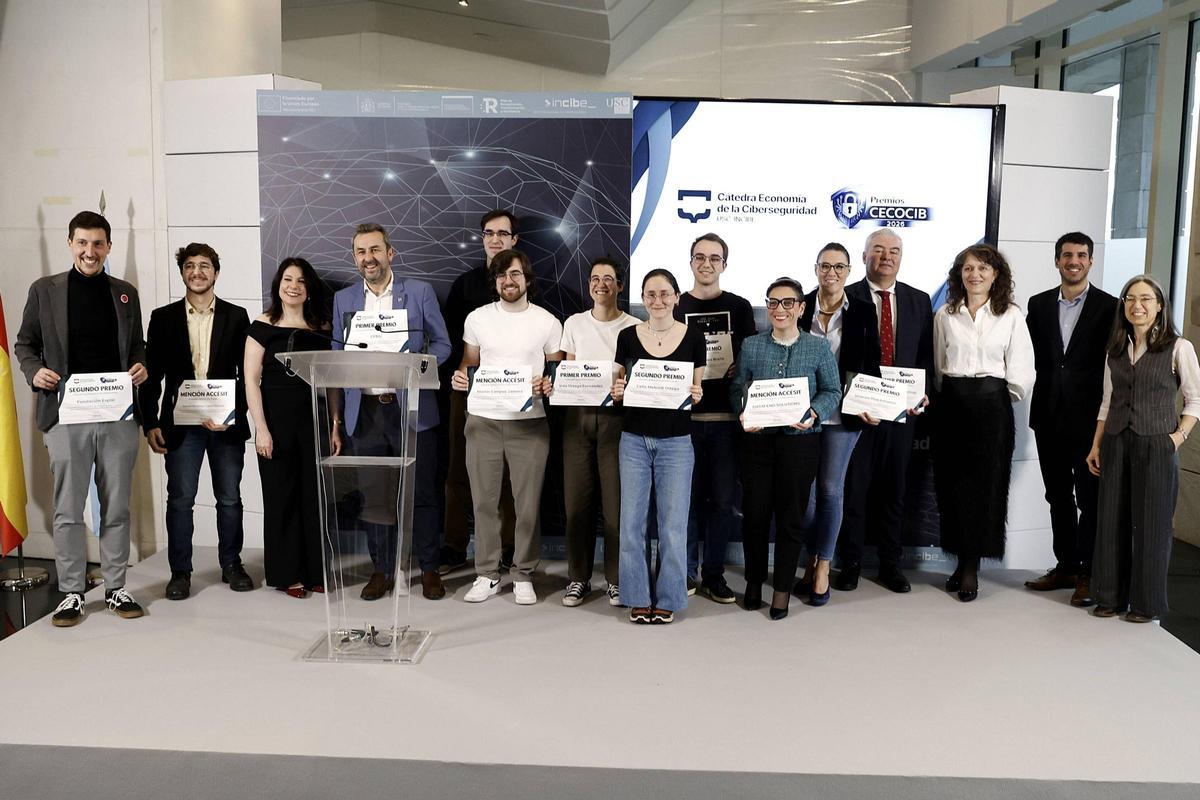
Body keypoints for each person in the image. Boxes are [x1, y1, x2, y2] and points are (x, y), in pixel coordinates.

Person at [15, 210, 148, 626]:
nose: (90, 251)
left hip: (117, 413)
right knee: (68, 508)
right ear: (70, 243)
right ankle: (72, 592)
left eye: (98, 244)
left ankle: (115, 587)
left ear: (108, 247)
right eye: (83, 243)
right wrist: (34, 371)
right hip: (65, 413)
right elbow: (25, 344)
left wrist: (141, 366)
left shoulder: (125, 293)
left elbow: (138, 346)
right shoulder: (45, 290)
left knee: (117, 506)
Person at [329, 223, 452, 601]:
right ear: (354, 258)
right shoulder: (344, 299)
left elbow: (443, 345)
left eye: (375, 250)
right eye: (361, 252)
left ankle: (429, 568)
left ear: (390, 253)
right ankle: (381, 568)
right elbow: (336, 356)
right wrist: (336, 421)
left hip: (411, 408)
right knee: (374, 495)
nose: (368, 258)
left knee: (424, 491)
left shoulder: (419, 292)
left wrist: (416, 369)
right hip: (365, 412)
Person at [141, 243, 253, 600]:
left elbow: (247, 375)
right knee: (180, 500)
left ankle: (231, 564)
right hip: (180, 426)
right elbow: (152, 375)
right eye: (190, 266)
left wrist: (234, 415)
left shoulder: (237, 316)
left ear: (216, 273)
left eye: (205, 265)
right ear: (182, 273)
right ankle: (180, 572)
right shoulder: (163, 318)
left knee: (230, 499)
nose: (197, 272)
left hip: (225, 426)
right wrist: (150, 422)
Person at [451, 249, 562, 605]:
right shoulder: (478, 318)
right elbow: (469, 364)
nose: (508, 281)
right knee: (484, 501)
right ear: (495, 281)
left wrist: (548, 384)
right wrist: (460, 377)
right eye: (501, 275)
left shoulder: (547, 322)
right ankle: (486, 573)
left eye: (514, 274)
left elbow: (556, 372)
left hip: (529, 424)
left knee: (526, 504)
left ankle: (523, 573)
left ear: (527, 279)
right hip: (482, 420)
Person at [1087, 275, 1200, 623]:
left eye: (1146, 299)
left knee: (1152, 526)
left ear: (1160, 305)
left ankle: (1146, 604)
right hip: (1116, 440)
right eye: (1131, 299)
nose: (1137, 305)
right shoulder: (1115, 349)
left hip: (1157, 444)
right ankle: (1109, 597)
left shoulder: (1179, 348)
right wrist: (1096, 445)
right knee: (1111, 521)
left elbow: (1195, 401)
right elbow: (1107, 402)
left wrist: (1176, 438)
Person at [731, 277, 841, 620]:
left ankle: (781, 590)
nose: (780, 309)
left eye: (788, 302)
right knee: (756, 515)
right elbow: (738, 387)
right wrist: (743, 412)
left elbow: (832, 390)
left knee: (792, 518)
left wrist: (814, 412)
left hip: (800, 443)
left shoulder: (818, 348)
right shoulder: (751, 345)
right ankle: (754, 582)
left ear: (801, 307)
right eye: (773, 302)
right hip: (758, 442)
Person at [931, 244, 1034, 602]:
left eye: (983, 268)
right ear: (959, 274)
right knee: (952, 487)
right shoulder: (945, 314)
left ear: (996, 275)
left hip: (992, 409)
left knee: (985, 489)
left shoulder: (1011, 315)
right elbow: (938, 365)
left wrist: (996, 399)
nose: (975, 274)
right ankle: (960, 561)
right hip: (952, 407)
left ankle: (971, 567)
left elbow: (1022, 369)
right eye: (968, 268)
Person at [834, 229, 933, 594]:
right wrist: (850, 398)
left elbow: (925, 355)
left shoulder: (919, 300)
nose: (886, 256)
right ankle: (850, 564)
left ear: (901, 257)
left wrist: (925, 393)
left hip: (902, 413)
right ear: (864, 257)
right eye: (878, 249)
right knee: (854, 491)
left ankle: (891, 566)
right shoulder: (847, 296)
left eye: (894, 250)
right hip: (857, 413)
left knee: (895, 492)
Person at [1023, 232, 1118, 607]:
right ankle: (1065, 566)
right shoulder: (1038, 304)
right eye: (1067, 255)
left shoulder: (1110, 307)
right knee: (1057, 496)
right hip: (1048, 417)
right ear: (1057, 261)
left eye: (1080, 255)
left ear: (1091, 261)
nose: (1073, 261)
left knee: (1090, 500)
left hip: (1090, 422)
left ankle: (1088, 574)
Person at [612, 269, 705, 624]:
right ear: (643, 299)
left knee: (672, 526)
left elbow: (696, 389)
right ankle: (636, 595)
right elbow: (617, 384)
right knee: (631, 523)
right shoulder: (627, 336)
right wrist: (617, 391)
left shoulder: (693, 337)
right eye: (651, 294)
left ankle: (668, 598)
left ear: (677, 297)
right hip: (634, 440)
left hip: (677, 442)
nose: (658, 300)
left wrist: (697, 394)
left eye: (665, 293)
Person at [674, 232, 757, 603]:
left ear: (725, 264)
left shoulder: (739, 307)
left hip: (725, 421)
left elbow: (751, 359)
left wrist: (741, 367)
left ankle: (714, 575)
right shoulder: (676, 305)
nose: (706, 264)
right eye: (699, 257)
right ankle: (684, 572)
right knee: (686, 503)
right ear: (691, 261)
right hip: (685, 422)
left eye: (714, 258)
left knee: (722, 503)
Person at [797, 243, 881, 606]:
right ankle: (811, 555)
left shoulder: (862, 310)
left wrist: (873, 402)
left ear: (849, 271)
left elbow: (872, 363)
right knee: (806, 499)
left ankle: (822, 566)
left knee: (831, 490)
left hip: (843, 417)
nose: (831, 272)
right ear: (816, 268)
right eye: (825, 265)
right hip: (802, 415)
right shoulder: (800, 306)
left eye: (839, 267)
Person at [244, 257, 330, 598]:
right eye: (288, 280)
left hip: (314, 421)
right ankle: (287, 574)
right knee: (281, 497)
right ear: (278, 285)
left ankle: (315, 572)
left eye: (301, 281)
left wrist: (335, 424)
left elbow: (332, 382)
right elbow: (251, 381)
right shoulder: (261, 325)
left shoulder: (322, 327)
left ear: (309, 289)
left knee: (314, 497)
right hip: (275, 423)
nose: (294, 286)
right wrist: (261, 429)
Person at [556, 257, 639, 607]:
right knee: (577, 504)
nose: (600, 284)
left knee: (616, 506)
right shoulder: (574, 323)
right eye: (594, 278)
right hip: (577, 419)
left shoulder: (635, 326)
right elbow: (567, 369)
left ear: (620, 285)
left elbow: (639, 376)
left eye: (608, 278)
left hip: (617, 420)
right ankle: (578, 578)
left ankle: (616, 580)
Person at [440, 209, 518, 573]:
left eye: (503, 233)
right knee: (458, 468)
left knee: (508, 472)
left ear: (514, 240)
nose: (495, 239)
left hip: (511, 392)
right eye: (489, 233)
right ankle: (454, 546)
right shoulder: (464, 285)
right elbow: (449, 341)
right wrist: (458, 375)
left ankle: (508, 547)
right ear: (482, 238)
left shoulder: (524, 283)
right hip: (467, 390)